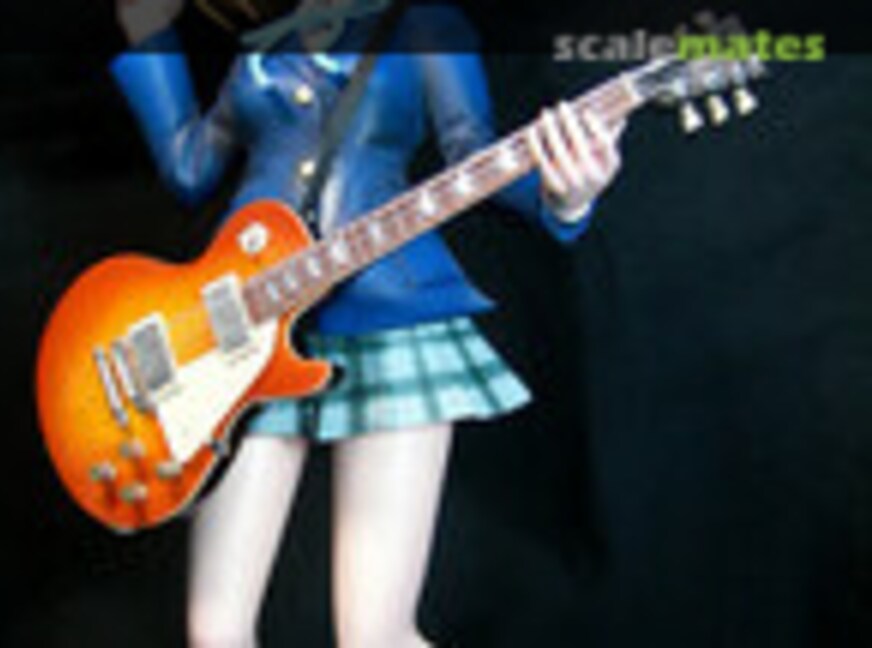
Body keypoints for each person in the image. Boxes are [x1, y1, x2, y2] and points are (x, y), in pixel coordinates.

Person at [109, 1, 624, 646]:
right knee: (214, 630)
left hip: (386, 316)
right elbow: (190, 170)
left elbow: (472, 153)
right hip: (243, 326)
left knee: (374, 635)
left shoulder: (425, 25)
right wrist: (147, 29)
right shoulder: (263, 45)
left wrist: (565, 197)